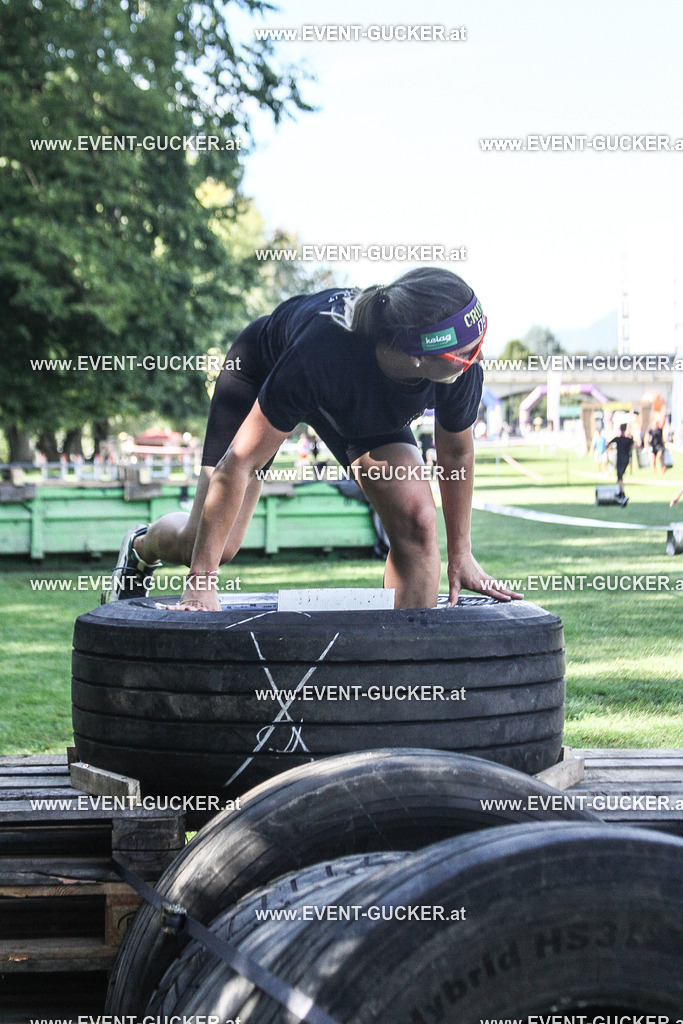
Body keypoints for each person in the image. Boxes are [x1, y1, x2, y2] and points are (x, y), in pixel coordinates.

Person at [108, 267, 522, 611]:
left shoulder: (459, 366)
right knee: (216, 544)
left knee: (417, 520)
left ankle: (399, 675)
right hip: (260, 371)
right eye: (467, 353)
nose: (478, 358)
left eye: (480, 342)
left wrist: (461, 552)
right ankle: (141, 548)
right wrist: (202, 579)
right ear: (416, 352)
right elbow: (241, 463)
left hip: (360, 402)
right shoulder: (322, 353)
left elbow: (456, 455)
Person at [607, 423, 633, 506]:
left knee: (619, 478)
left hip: (620, 460)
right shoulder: (629, 440)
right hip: (626, 460)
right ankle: (621, 494)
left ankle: (622, 494)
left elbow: (608, 444)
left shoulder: (618, 439)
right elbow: (633, 445)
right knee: (620, 477)